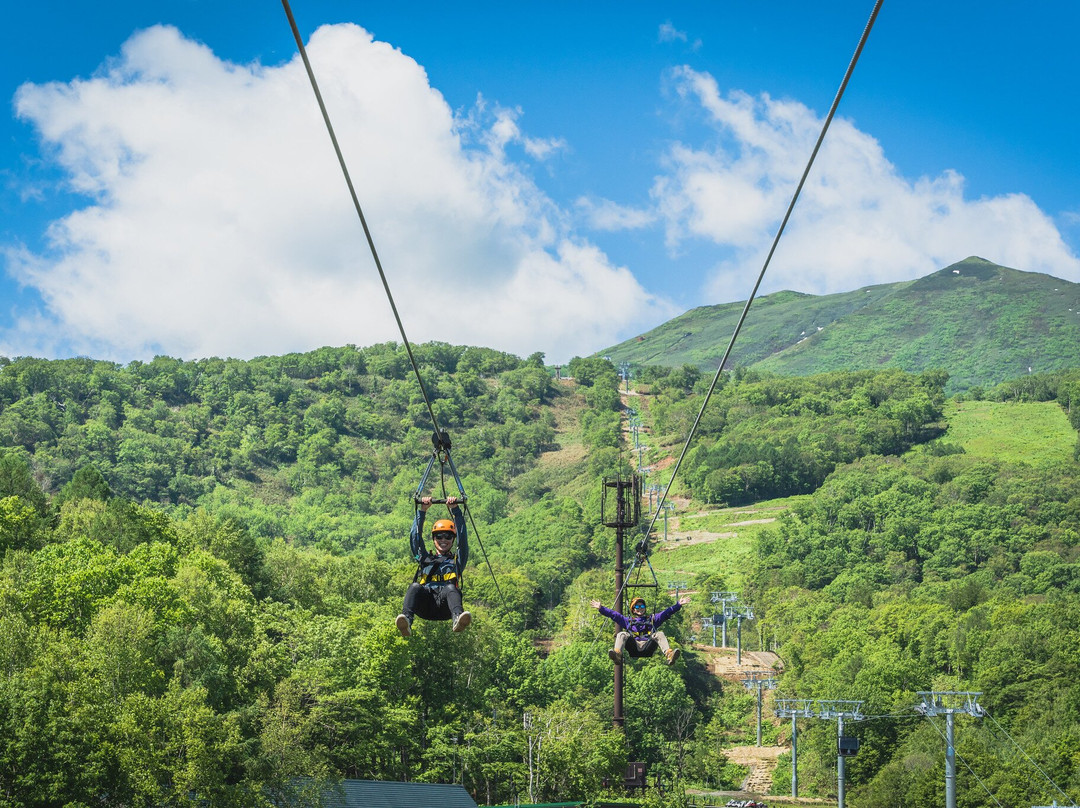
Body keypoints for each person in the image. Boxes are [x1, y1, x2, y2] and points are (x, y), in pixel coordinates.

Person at [396, 495, 470, 637]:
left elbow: (463, 540)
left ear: (453, 539)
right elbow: (415, 539)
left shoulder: (457, 560)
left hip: (446, 608)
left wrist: (456, 511)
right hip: (425, 605)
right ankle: (406, 620)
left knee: (450, 587)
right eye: (439, 536)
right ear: (434, 539)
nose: (443, 540)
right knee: (415, 586)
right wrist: (422, 511)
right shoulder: (424, 558)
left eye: (448, 536)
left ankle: (458, 619)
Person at [590, 595, 691, 665]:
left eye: (642, 606)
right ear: (633, 609)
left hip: (648, 645)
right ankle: (617, 655)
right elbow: (614, 615)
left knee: (659, 634)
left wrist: (678, 605)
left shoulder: (652, 619)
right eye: (637, 606)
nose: (640, 608)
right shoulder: (628, 621)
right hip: (634, 646)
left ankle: (669, 654)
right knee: (621, 634)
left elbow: (666, 613)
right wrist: (601, 608)